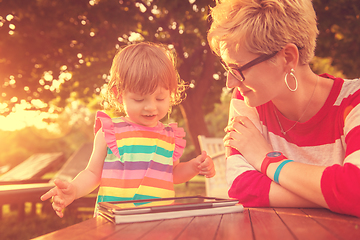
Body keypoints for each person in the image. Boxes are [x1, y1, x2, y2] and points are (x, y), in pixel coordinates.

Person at [207, 0, 360, 217]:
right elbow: (241, 187)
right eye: (227, 68)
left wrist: (267, 159)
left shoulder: (354, 100)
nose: (230, 83)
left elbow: (356, 190)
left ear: (287, 57)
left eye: (237, 69)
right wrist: (333, 195)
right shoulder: (248, 99)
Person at [41, 42, 215, 218]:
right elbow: (93, 173)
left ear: (171, 93)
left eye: (160, 98)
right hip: (115, 221)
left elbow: (172, 174)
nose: (151, 107)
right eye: (139, 99)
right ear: (119, 94)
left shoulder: (170, 136)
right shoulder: (110, 132)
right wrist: (75, 189)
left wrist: (194, 167)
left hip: (159, 221)